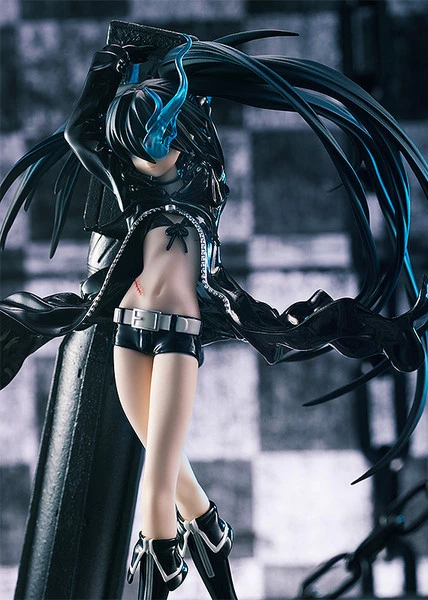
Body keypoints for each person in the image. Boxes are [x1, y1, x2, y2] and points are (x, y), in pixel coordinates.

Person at [1, 22, 427, 600]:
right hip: (125, 329)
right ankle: (210, 531)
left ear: (185, 140)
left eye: (155, 140)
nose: (144, 155)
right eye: (134, 145)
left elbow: (169, 128)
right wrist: (111, 58)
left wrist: (377, 331)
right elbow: (82, 132)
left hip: (178, 337)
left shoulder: (203, 196)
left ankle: (170, 559)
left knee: (157, 495)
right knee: (170, 472)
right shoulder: (131, 188)